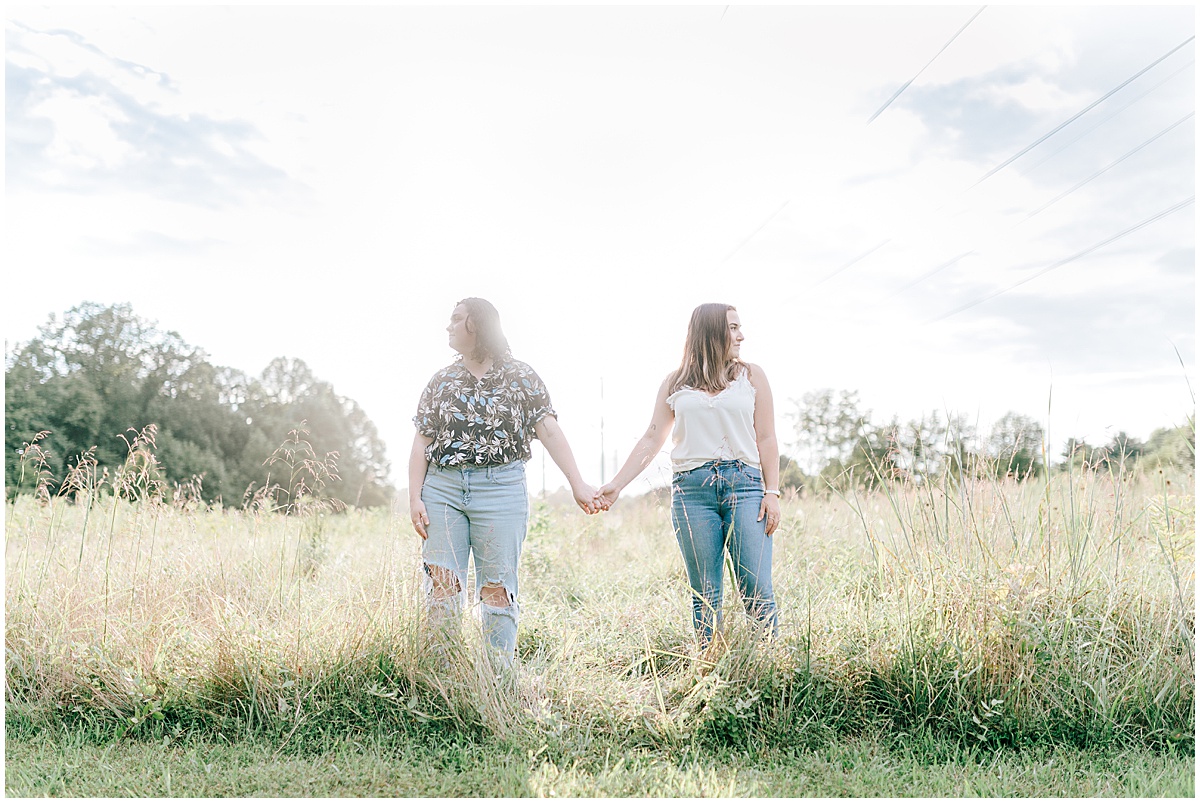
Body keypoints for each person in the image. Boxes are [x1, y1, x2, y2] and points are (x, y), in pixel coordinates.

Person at [409, 298, 599, 664]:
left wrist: (577, 483)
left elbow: (548, 429)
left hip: (501, 489)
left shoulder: (520, 376)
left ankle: (498, 681)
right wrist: (415, 497)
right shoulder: (441, 381)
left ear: (477, 325)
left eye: (456, 319)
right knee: (442, 588)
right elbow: (422, 440)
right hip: (443, 489)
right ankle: (441, 680)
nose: (448, 326)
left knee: (496, 588)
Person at [595, 303, 780, 651]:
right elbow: (652, 437)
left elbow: (766, 437)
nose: (742, 335)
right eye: (734, 328)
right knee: (705, 593)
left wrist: (773, 492)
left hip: (747, 486)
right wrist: (617, 485)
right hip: (693, 493)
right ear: (711, 331)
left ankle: (767, 666)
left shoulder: (752, 376)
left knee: (756, 587)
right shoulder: (675, 382)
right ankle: (710, 668)